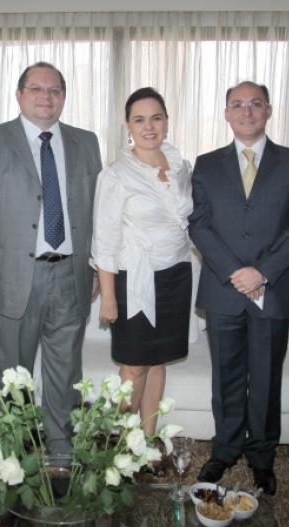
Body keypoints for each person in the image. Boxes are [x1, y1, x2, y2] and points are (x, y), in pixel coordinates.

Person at [0, 62, 102, 454]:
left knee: (66, 373)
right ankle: (15, 457)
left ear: (64, 97)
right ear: (19, 95)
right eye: (37, 89)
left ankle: (61, 453)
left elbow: (99, 210)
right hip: (12, 279)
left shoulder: (86, 142)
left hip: (71, 275)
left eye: (55, 90)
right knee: (13, 375)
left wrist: (97, 266)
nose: (46, 97)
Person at [189, 81, 289, 495]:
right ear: (226, 113)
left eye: (255, 104)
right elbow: (199, 224)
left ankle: (262, 456)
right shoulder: (206, 164)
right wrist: (234, 272)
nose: (246, 111)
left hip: (271, 289)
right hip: (223, 290)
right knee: (225, 377)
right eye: (237, 105)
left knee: (265, 379)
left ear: (269, 110)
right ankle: (224, 449)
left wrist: (262, 271)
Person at [91, 87, 193, 435]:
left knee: (157, 362)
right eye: (139, 120)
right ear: (128, 126)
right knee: (134, 368)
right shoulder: (115, 175)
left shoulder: (181, 167)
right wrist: (108, 297)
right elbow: (105, 241)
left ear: (167, 122)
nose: (149, 127)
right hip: (133, 280)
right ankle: (120, 447)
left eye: (156, 118)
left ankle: (147, 444)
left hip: (175, 276)